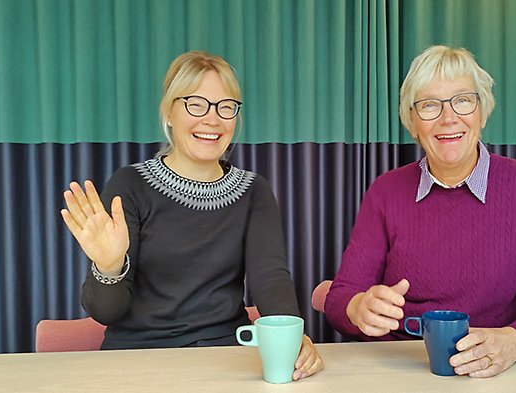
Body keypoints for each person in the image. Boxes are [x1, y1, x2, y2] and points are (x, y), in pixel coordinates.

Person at [324, 45, 516, 378]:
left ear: (482, 111)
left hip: (490, 369)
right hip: (398, 368)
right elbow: (338, 299)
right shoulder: (385, 192)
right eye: (430, 106)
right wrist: (357, 307)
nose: (449, 118)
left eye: (463, 101)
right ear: (413, 122)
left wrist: (515, 340)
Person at [60, 50, 322, 380]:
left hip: (226, 356)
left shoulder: (254, 191)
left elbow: (271, 279)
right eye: (196, 104)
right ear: (169, 112)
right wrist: (109, 267)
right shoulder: (129, 186)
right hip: (138, 359)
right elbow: (104, 311)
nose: (212, 119)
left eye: (225, 107)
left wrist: (291, 340)